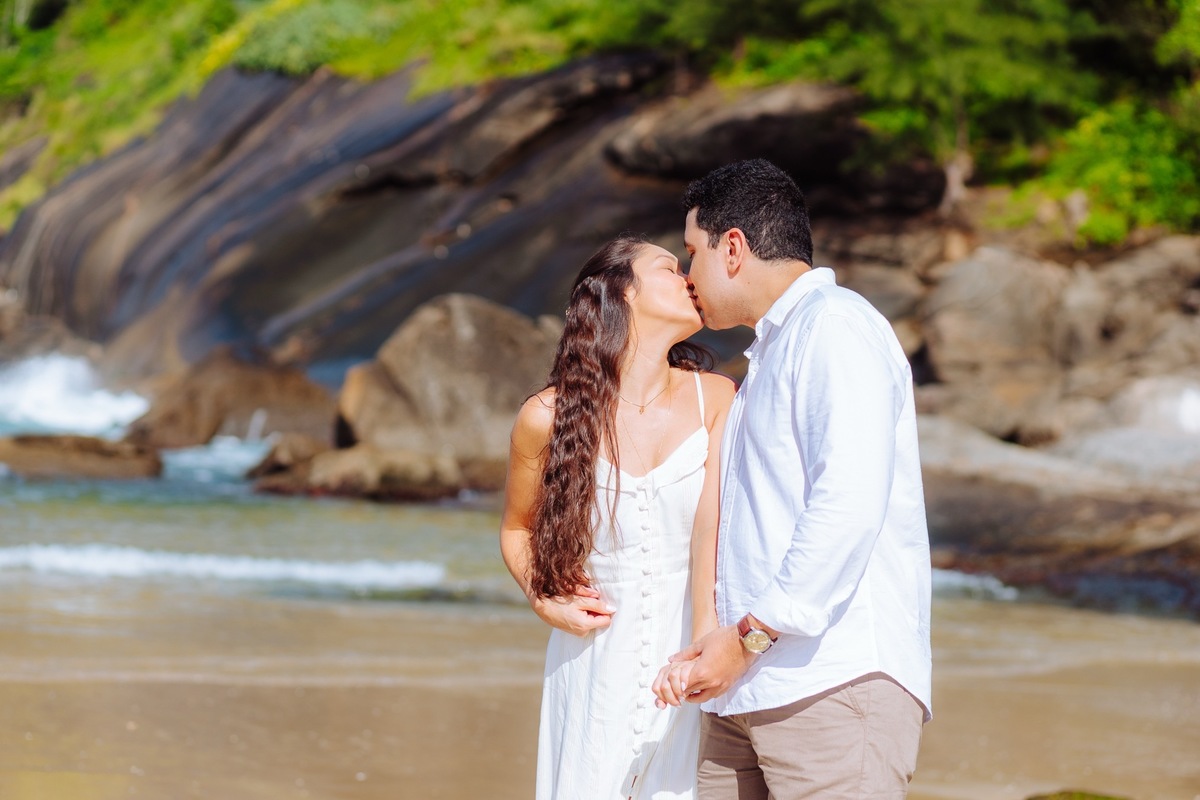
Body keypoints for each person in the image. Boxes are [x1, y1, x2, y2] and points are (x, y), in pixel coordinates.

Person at [652, 159, 933, 799]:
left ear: (733, 248)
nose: (687, 274)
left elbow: (849, 503)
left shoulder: (835, 327)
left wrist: (749, 638)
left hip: (831, 685)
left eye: (691, 253)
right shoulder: (773, 350)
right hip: (745, 691)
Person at [500, 234, 736, 799]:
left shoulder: (718, 398)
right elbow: (518, 528)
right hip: (593, 660)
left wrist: (706, 639)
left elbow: (714, 531)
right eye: (669, 267)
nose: (689, 278)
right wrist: (543, 596)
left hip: (693, 654)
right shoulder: (547, 416)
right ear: (621, 293)